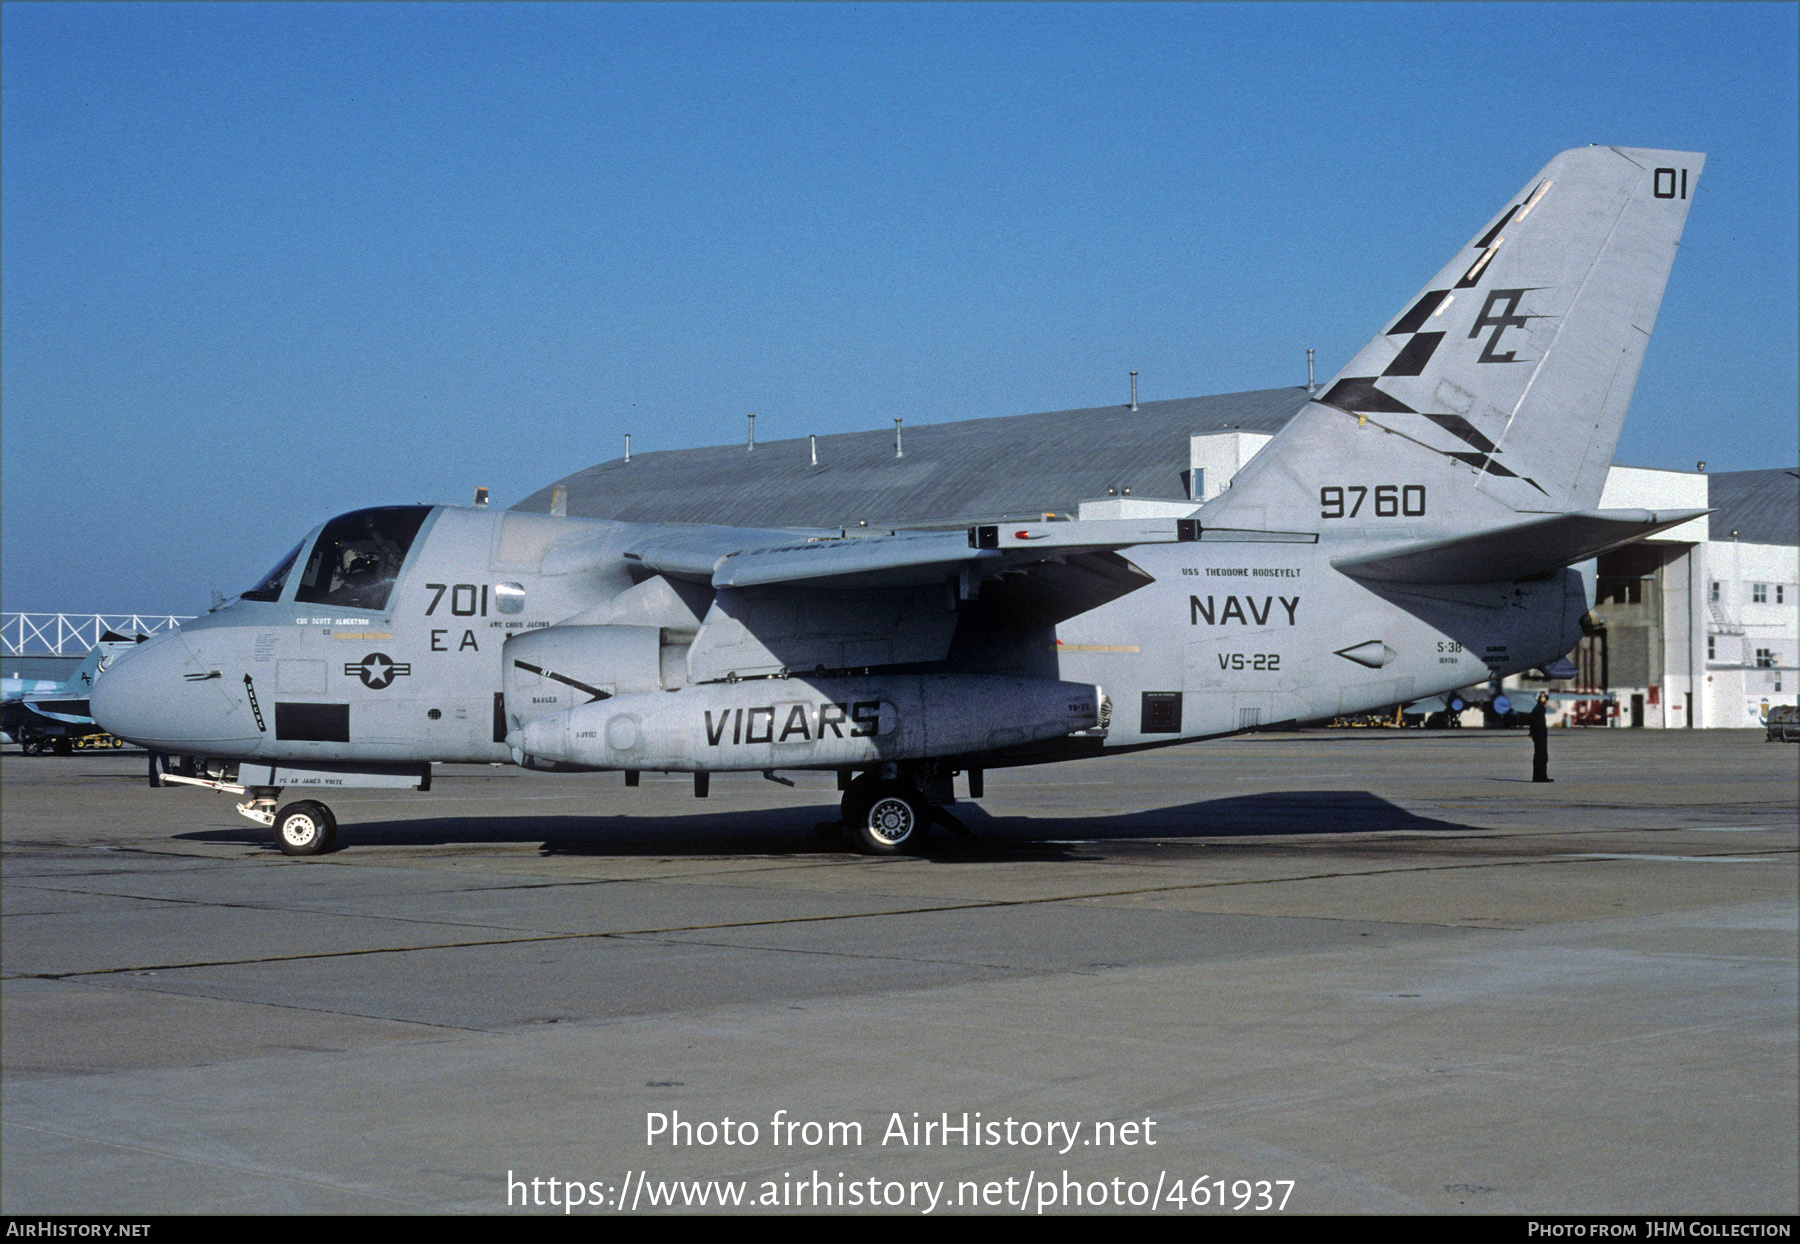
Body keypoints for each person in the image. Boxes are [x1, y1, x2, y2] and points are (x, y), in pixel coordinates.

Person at [1529, 691, 1552, 783]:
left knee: (1539, 756)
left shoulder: (1538, 708)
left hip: (1538, 734)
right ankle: (1541, 777)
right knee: (1542, 756)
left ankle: (1538, 777)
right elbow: (1537, 722)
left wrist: (1532, 732)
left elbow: (1532, 721)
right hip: (1540, 735)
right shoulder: (1540, 709)